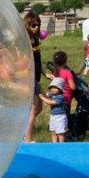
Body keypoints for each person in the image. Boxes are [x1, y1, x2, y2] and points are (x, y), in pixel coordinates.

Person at [22, 10, 46, 142]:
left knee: (39, 108)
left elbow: (38, 59)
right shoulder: (25, 41)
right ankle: (27, 138)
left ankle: (23, 130)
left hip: (36, 76)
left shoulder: (35, 40)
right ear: (28, 25)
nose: (36, 28)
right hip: (29, 78)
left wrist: (44, 72)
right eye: (33, 25)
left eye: (38, 25)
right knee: (34, 108)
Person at [38, 77, 68, 142]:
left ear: (60, 89)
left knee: (60, 133)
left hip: (60, 117)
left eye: (55, 88)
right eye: (52, 87)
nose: (53, 89)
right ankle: (54, 145)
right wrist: (39, 87)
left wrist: (42, 98)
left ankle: (61, 145)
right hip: (53, 116)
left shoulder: (60, 97)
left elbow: (52, 102)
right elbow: (45, 94)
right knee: (53, 132)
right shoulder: (52, 94)